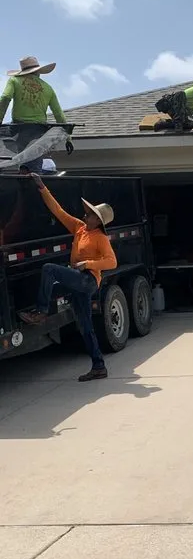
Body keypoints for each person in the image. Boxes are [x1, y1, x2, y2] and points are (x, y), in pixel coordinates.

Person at [19, 174, 117, 382]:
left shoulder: (100, 238)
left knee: (49, 269)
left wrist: (88, 264)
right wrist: (41, 187)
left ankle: (41, 313)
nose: (85, 214)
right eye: (88, 212)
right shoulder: (79, 228)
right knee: (86, 327)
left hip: (87, 280)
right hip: (76, 280)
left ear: (97, 221)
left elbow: (112, 262)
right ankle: (99, 366)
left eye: (89, 214)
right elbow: (58, 211)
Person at [0, 56, 71, 173]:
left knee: (14, 158)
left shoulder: (14, 80)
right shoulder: (48, 88)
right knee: (33, 165)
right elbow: (59, 115)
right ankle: (32, 184)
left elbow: (5, 97)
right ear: (38, 71)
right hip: (38, 131)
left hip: (18, 129)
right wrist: (68, 138)